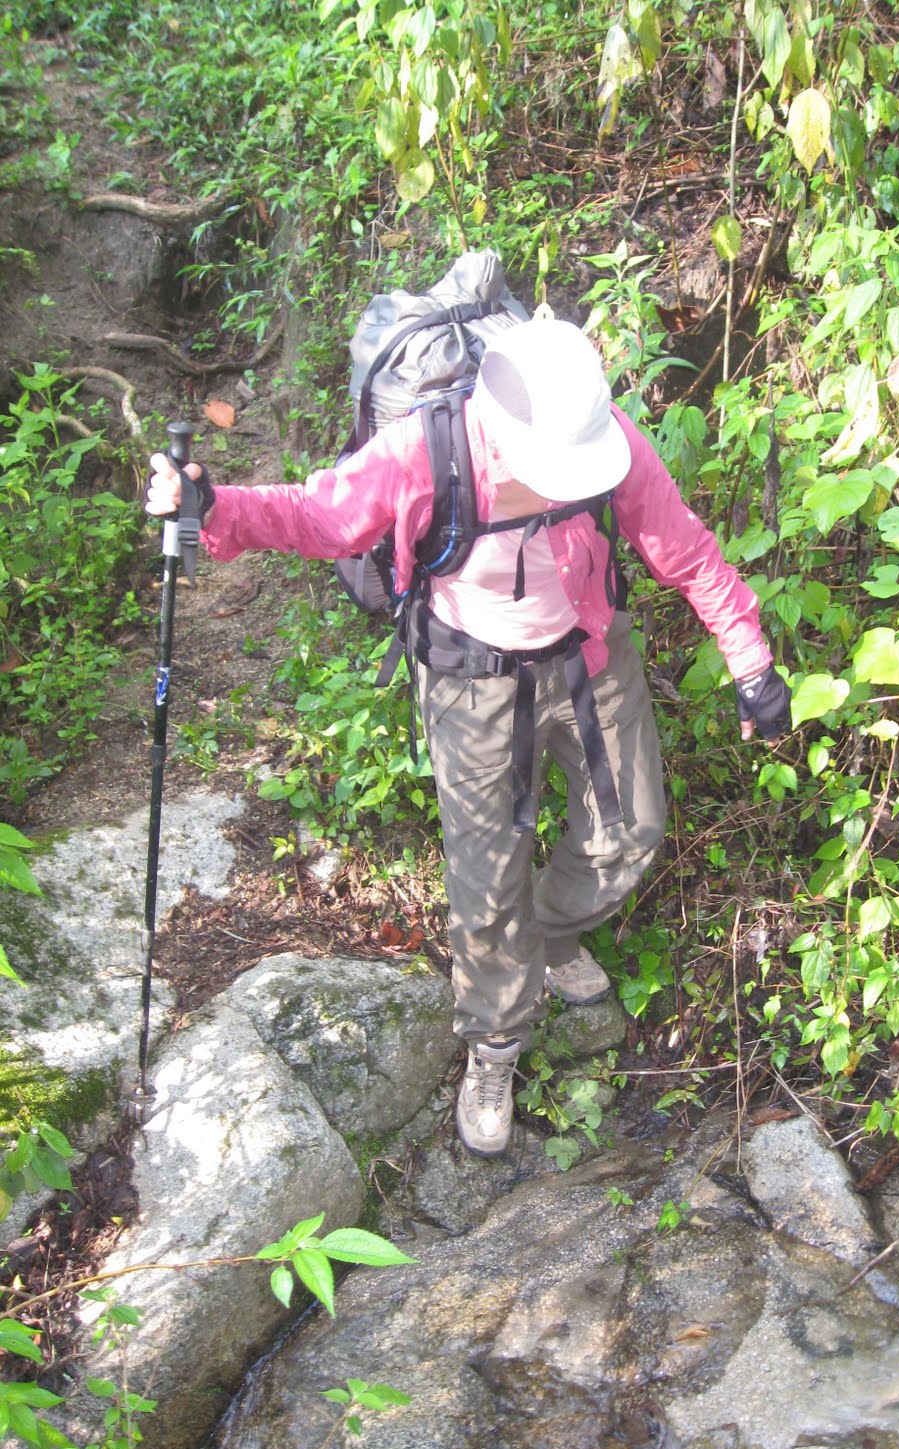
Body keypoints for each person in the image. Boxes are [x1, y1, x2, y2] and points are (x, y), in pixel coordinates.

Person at [145, 314, 790, 1157]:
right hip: (471, 681)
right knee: (485, 885)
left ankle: (554, 934)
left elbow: (686, 550)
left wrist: (751, 662)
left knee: (631, 830)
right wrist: (212, 505)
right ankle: (495, 1044)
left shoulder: (607, 439)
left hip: (589, 657)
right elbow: (321, 515)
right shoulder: (423, 452)